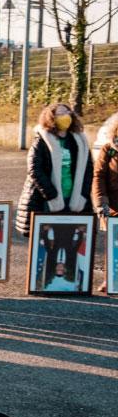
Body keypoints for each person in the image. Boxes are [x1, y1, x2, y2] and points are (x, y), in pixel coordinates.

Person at [17, 103, 94, 245]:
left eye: (67, 112)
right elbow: (35, 170)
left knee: (70, 242)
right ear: (51, 118)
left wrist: (83, 195)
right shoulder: (41, 140)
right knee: (47, 243)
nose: (65, 116)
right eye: (60, 114)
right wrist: (52, 196)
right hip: (47, 200)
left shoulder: (79, 141)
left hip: (74, 200)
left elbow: (89, 169)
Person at [94, 113, 118, 292]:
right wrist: (101, 200)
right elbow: (99, 175)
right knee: (113, 245)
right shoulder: (109, 149)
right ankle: (110, 280)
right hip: (114, 207)